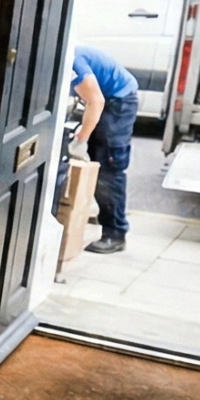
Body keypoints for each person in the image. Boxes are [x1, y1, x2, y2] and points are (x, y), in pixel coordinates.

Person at [66, 44, 140, 254]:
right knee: (99, 162)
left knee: (108, 166)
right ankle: (105, 217)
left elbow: (96, 101)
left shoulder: (72, 63)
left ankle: (115, 234)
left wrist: (82, 139)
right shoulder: (61, 56)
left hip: (119, 101)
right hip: (107, 97)